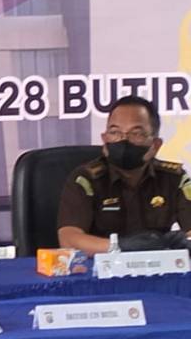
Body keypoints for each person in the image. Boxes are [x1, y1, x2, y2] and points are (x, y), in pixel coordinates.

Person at [57, 95, 191, 255]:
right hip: (101, 266)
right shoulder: (86, 179)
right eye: (114, 132)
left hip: (158, 265)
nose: (123, 140)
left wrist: (183, 243)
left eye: (136, 133)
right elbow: (68, 239)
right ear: (104, 140)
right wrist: (119, 246)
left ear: (155, 145)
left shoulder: (174, 178)